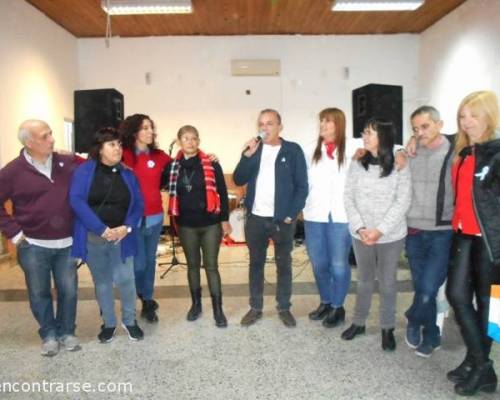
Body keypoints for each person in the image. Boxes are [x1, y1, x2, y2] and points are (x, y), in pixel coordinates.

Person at [0, 119, 80, 356]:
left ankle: (66, 331)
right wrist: (14, 233)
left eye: (51, 133)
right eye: (45, 136)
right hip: (33, 245)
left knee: (70, 291)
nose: (52, 139)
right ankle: (49, 334)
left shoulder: (66, 161)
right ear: (29, 142)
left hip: (66, 243)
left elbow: (95, 165)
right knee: (39, 293)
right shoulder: (12, 172)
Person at [445, 90, 500, 396]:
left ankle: (479, 365)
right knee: (457, 294)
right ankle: (482, 364)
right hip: (464, 233)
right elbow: (430, 133)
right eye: (462, 116)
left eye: (473, 115)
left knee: (491, 308)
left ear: (489, 116)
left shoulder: (496, 153)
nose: (466, 122)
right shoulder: (465, 151)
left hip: (491, 242)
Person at [233, 109, 308, 327]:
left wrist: (291, 214)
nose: (265, 128)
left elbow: (302, 187)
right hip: (256, 218)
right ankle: (255, 307)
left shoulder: (293, 150)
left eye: (270, 123)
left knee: (283, 263)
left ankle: (284, 307)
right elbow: (238, 179)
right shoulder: (253, 150)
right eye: (261, 124)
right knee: (255, 264)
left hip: (282, 220)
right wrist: (246, 155)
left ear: (280, 126)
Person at [342, 118, 411, 351]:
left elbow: (403, 201)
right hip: (361, 234)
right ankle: (359, 322)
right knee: (363, 280)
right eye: (364, 132)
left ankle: (387, 328)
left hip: (390, 235)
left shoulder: (399, 162)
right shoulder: (358, 160)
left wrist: (380, 230)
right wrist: (361, 228)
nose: (365, 136)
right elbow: (348, 196)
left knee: (388, 282)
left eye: (370, 132)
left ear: (384, 136)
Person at [70, 127, 145, 343]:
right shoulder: (84, 171)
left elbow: (138, 204)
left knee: (127, 279)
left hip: (123, 236)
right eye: (112, 144)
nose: (118, 148)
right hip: (95, 236)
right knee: (102, 281)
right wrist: (101, 229)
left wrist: (127, 227)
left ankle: (130, 321)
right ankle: (109, 323)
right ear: (100, 149)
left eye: (119, 145)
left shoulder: (128, 174)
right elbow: (76, 201)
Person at [164, 125, 231, 327]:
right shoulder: (172, 167)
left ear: (198, 141)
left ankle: (218, 310)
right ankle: (196, 305)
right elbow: (160, 184)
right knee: (192, 266)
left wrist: (225, 219)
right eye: (186, 138)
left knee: (211, 266)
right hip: (186, 225)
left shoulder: (211, 164)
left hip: (210, 223)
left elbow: (223, 192)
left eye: (194, 138)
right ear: (179, 141)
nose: (190, 142)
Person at [303, 108, 363, 327]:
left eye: (328, 122)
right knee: (319, 264)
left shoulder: (355, 146)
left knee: (338, 264)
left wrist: (404, 149)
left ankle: (338, 306)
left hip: (341, 216)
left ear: (339, 124)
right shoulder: (309, 150)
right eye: (321, 122)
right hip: (314, 215)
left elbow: (387, 146)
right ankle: (326, 301)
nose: (323, 126)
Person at [404, 106, 455, 357]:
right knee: (421, 286)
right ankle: (430, 332)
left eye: (425, 126)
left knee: (427, 289)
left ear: (440, 124)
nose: (420, 132)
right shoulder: (411, 151)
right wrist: (409, 142)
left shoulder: (454, 151)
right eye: (415, 129)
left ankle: (414, 319)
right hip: (414, 230)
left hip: (442, 231)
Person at [120, 114, 171, 323]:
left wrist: (207, 157)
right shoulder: (123, 155)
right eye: (145, 128)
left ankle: (147, 300)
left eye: (151, 127)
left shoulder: (159, 156)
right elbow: (97, 161)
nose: (150, 131)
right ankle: (141, 294)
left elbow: (184, 162)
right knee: (138, 264)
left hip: (155, 218)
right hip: (133, 220)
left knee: (150, 262)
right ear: (134, 132)